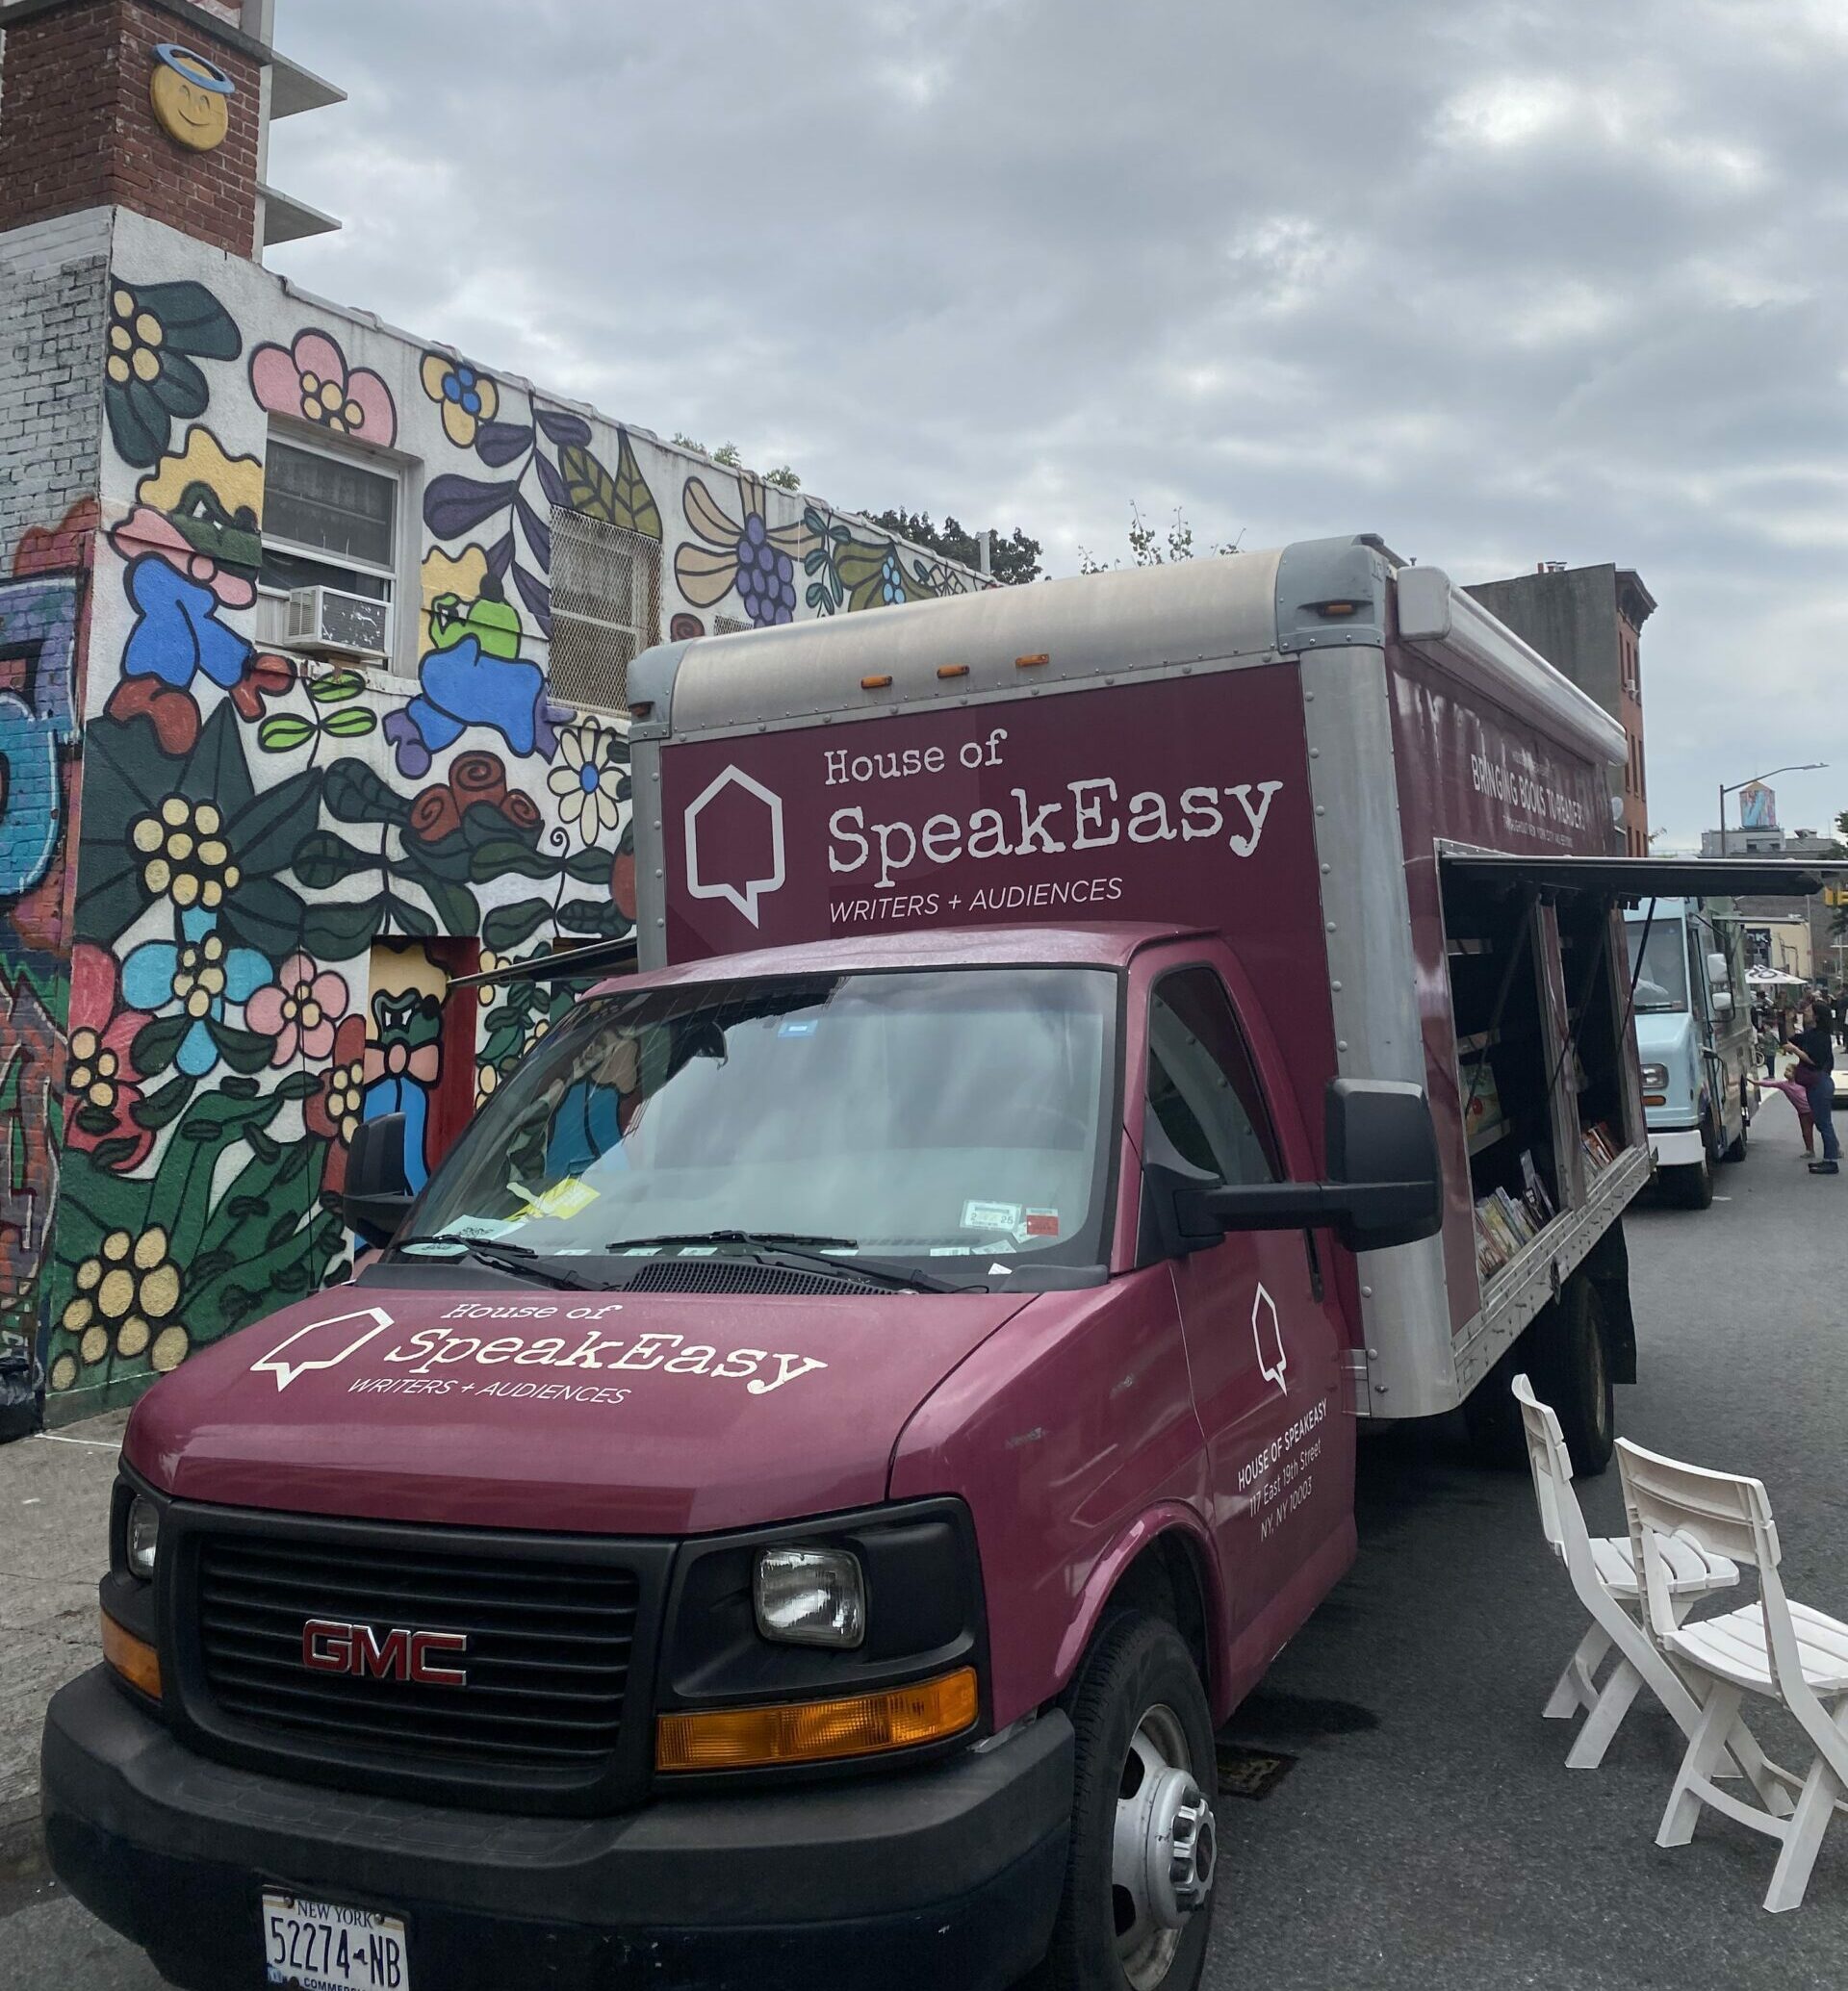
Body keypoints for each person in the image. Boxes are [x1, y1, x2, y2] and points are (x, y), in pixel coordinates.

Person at [1784, 996, 1839, 1177]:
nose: (1805, 1013)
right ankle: (1832, 1154)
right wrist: (1787, 1019)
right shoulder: (1811, 1034)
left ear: (1816, 1016)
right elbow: (1792, 1038)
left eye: (1808, 1011)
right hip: (1815, 1084)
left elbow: (1815, 1061)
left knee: (1824, 1123)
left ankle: (1831, 1161)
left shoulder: (1822, 1037)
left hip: (1820, 1083)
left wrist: (1797, 1052)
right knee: (1822, 1121)